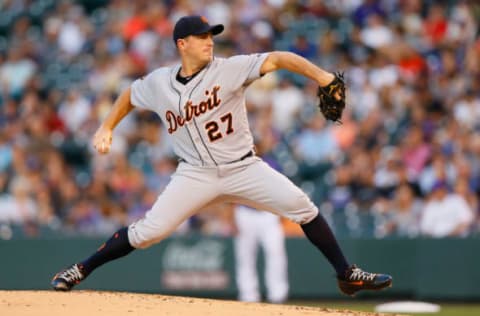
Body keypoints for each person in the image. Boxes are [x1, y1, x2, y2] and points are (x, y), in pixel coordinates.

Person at [51, 15, 392, 296]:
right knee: (149, 233)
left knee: (303, 207)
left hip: (243, 167)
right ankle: (81, 268)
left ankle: (346, 274)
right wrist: (106, 126)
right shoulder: (159, 83)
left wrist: (322, 76)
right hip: (195, 174)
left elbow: (277, 58)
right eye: (201, 37)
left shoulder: (230, 68)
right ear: (182, 44)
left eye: (211, 35)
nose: (209, 41)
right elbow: (129, 94)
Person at [234, 204, 289, 303]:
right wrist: (231, 217)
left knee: (276, 253)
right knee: (245, 257)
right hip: (245, 212)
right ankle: (248, 295)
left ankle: (278, 295)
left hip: (269, 212)